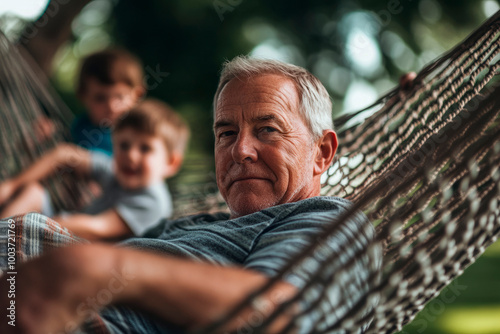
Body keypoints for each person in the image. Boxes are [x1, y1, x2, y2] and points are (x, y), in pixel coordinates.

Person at [0, 56, 380, 333]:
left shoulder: (328, 218)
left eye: (268, 129)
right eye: (226, 133)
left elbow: (281, 313)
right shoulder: (191, 225)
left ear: (322, 153)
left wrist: (98, 269)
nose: (240, 150)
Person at [0, 98, 189, 241]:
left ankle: (4, 240)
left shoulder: (153, 200)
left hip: (82, 253)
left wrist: (34, 223)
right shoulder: (117, 171)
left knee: (24, 220)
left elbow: (97, 229)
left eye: (145, 148)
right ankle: (3, 237)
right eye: (123, 145)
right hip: (59, 232)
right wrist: (11, 185)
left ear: (171, 163)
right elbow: (64, 154)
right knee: (34, 193)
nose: (131, 155)